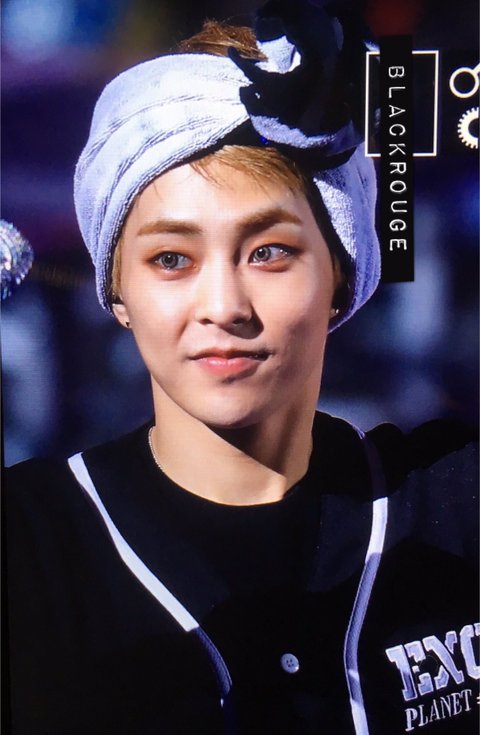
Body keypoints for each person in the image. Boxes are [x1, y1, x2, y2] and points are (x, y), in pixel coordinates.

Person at [3, 3, 478, 734]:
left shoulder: (451, 500)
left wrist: (406, 94)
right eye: (171, 259)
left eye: (269, 252)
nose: (224, 306)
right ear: (118, 293)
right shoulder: (34, 544)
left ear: (341, 275)